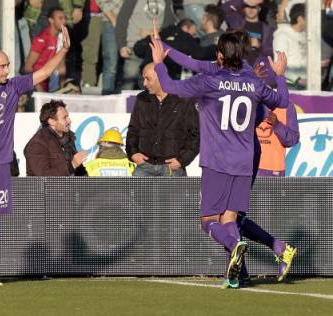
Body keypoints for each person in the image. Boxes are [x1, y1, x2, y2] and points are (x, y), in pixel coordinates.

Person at [157, 28, 298, 284]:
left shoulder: (210, 80)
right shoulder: (254, 81)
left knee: (209, 220)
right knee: (231, 218)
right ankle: (238, 275)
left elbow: (170, 85)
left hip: (217, 159)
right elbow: (283, 102)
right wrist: (280, 76)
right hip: (245, 158)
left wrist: (159, 62)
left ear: (220, 55)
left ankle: (235, 249)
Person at [0, 26, 73, 286]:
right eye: (1, 66)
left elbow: (44, 72)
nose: (6, 70)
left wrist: (63, 50)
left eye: (8, 65)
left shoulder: (12, 87)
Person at [126, 63, 199, 177]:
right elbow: (133, 130)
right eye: (143, 78)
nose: (144, 83)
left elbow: (196, 135)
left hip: (172, 168)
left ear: (161, 78)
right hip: (144, 166)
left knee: (172, 196)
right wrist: (133, 153)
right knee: (135, 195)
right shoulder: (142, 99)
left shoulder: (184, 100)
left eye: (148, 79)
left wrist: (182, 160)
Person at [24, 99, 87, 176]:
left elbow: (78, 171)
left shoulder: (68, 138)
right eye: (65, 117)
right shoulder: (37, 144)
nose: (69, 121)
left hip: (70, 187)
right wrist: (72, 165)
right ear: (52, 121)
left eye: (68, 117)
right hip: (44, 188)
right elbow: (43, 177)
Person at [24, 7, 67, 92]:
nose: (64, 21)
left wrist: (63, 88)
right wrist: (37, 86)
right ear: (51, 20)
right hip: (37, 81)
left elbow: (61, 66)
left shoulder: (62, 38)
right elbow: (28, 67)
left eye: (65, 18)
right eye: (60, 18)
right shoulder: (42, 39)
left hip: (49, 79)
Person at [273, 3, 307, 89]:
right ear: (300, 19)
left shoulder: (306, 34)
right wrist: (298, 80)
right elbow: (279, 64)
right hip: (290, 86)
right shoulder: (282, 36)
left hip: (306, 85)